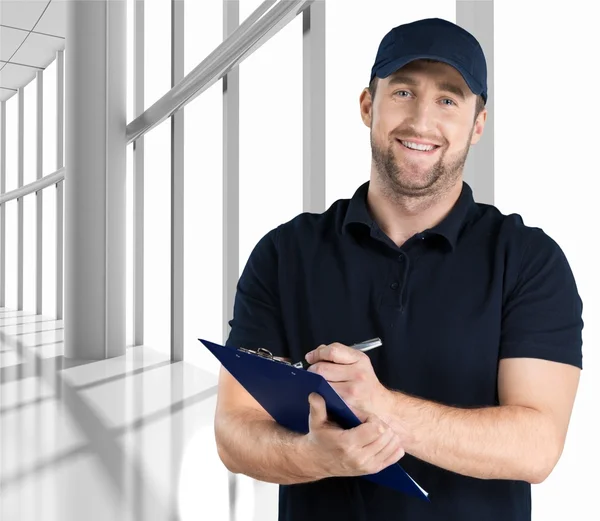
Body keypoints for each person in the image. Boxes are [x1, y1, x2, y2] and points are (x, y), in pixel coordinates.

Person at [214, 17, 584, 521]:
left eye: (448, 100)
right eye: (404, 92)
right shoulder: (284, 254)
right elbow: (234, 431)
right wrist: (310, 458)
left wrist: (382, 406)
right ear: (369, 106)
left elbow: (537, 446)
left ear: (478, 124)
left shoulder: (528, 260)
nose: (422, 121)